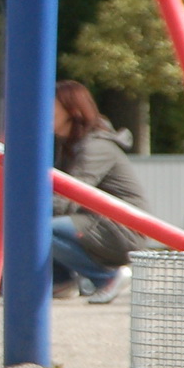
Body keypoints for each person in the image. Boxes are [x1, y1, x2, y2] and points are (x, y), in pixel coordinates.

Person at [53, 80, 147, 304]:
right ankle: (61, 282)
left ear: (72, 110)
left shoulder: (95, 147)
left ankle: (106, 277)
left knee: (39, 230)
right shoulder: (67, 145)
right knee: (34, 224)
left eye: (50, 105)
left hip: (120, 228)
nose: (41, 112)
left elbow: (70, 197)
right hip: (95, 221)